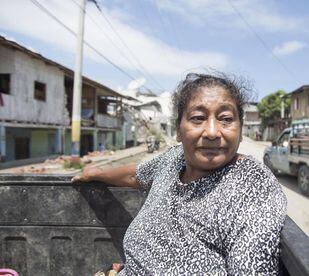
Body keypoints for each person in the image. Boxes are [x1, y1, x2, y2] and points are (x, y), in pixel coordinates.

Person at [72, 72, 287, 275]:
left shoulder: (252, 185)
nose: (212, 132)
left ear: (240, 131)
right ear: (178, 131)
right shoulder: (174, 159)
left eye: (226, 118)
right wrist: (97, 173)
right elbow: (136, 175)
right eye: (198, 118)